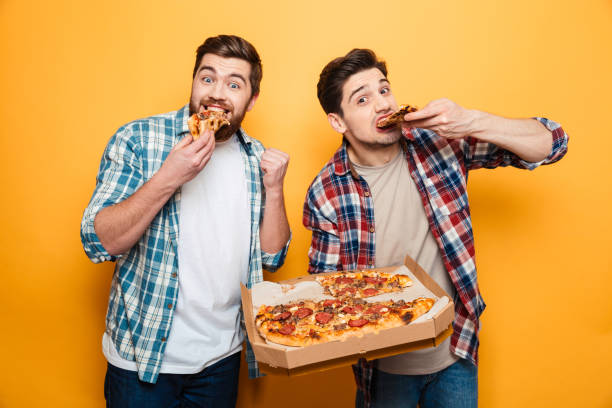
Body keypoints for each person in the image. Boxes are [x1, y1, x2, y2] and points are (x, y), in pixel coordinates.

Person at [303, 49, 568, 408]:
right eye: (363, 99)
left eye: (384, 90)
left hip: (456, 350)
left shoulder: (438, 144)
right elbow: (326, 292)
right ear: (339, 122)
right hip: (383, 370)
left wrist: (470, 121)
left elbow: (552, 143)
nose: (382, 105)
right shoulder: (326, 190)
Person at [81, 34, 291, 407]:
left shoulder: (254, 156)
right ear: (193, 82)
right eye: (207, 78)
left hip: (221, 359)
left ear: (252, 99)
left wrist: (274, 189)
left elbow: (271, 258)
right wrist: (168, 177)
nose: (217, 94)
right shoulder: (138, 139)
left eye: (234, 84)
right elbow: (100, 242)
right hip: (142, 359)